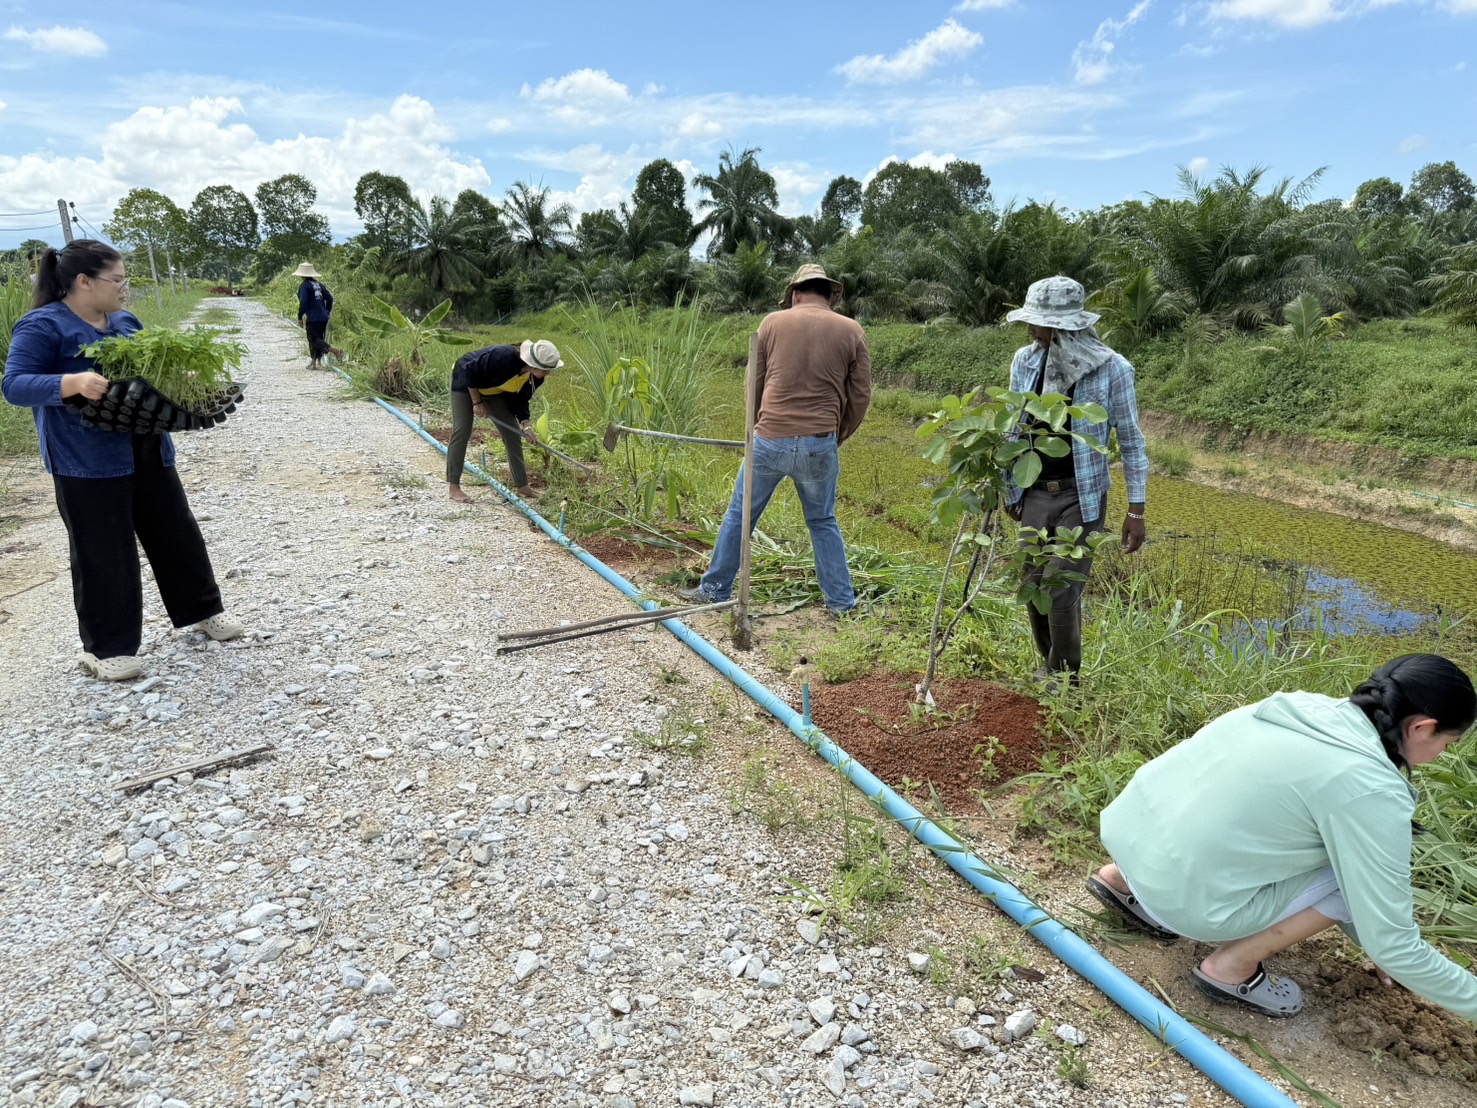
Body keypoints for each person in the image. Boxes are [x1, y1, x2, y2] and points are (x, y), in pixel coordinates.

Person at [1090, 654, 1477, 1021]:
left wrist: (1374, 938)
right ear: (1422, 727)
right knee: (1353, 874)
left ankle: (1122, 882)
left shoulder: (1301, 708)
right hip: (1183, 901)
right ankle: (1231, 967)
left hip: (1130, 841)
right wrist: (1384, 943)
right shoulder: (1370, 788)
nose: (1442, 754)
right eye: (1447, 744)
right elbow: (1394, 943)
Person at [1, 240, 243, 681]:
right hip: (85, 459)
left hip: (146, 446)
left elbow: (148, 376)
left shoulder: (126, 321)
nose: (125, 288)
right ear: (84, 282)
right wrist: (70, 382)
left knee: (176, 534)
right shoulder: (43, 326)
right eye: (118, 280)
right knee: (103, 552)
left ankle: (203, 612)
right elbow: (14, 385)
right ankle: (106, 649)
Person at [680, 264, 872, 617]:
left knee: (740, 516)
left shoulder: (771, 323)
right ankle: (842, 606)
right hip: (819, 442)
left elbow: (755, 383)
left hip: (769, 440)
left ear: (796, 293)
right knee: (823, 522)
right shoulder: (852, 330)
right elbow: (860, 397)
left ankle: (714, 590)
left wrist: (756, 428)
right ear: (829, 295)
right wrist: (835, 436)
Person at [1002, 275, 1149, 682]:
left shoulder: (1113, 369)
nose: (1031, 330)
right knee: (1033, 583)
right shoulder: (1025, 360)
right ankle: (1048, 664)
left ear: (1067, 327)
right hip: (1033, 492)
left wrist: (1136, 512)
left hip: (1080, 496)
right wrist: (1007, 486)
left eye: (1040, 323)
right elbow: (1015, 427)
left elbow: (1132, 443)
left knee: (1060, 587)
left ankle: (1065, 677)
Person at [447, 339, 563, 503]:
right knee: (462, 430)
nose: (548, 374)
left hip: (493, 391)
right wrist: (477, 402)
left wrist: (526, 425)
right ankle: (454, 487)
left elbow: (521, 400)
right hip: (466, 382)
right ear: (535, 365)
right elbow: (469, 370)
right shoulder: (503, 357)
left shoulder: (536, 378)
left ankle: (522, 486)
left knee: (512, 433)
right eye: (546, 370)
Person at [294, 262, 334, 370]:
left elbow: (304, 302)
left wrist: (300, 316)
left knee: (313, 339)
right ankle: (315, 362)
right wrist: (327, 311)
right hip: (323, 317)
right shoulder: (319, 285)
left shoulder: (304, 286)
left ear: (302, 275)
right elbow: (330, 298)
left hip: (313, 317)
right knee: (318, 338)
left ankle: (335, 351)